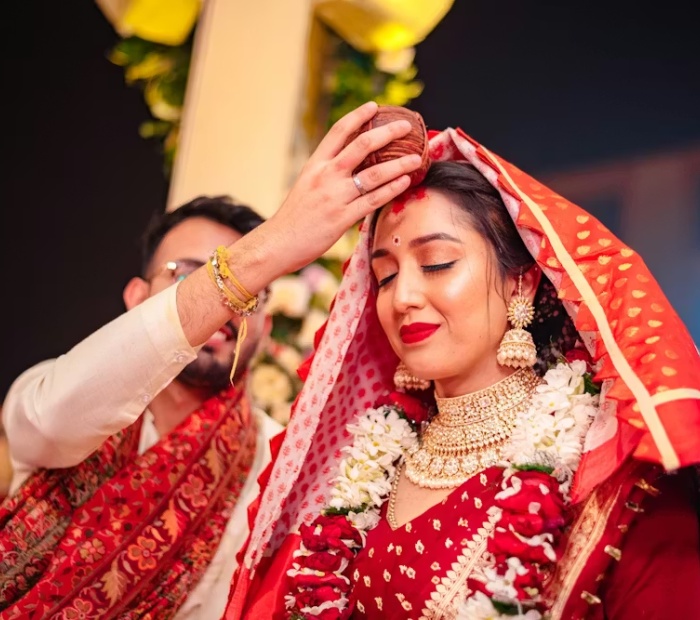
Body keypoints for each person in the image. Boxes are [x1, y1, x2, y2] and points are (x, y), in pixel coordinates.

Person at [224, 118, 700, 619]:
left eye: (436, 264)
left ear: (521, 284)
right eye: (385, 276)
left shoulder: (612, 485)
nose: (403, 298)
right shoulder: (363, 467)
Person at [0, 111, 426, 620]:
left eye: (251, 294)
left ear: (266, 326)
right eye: (186, 274)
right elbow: (53, 421)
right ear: (139, 297)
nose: (228, 304)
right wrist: (266, 250)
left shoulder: (275, 468)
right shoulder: (50, 390)